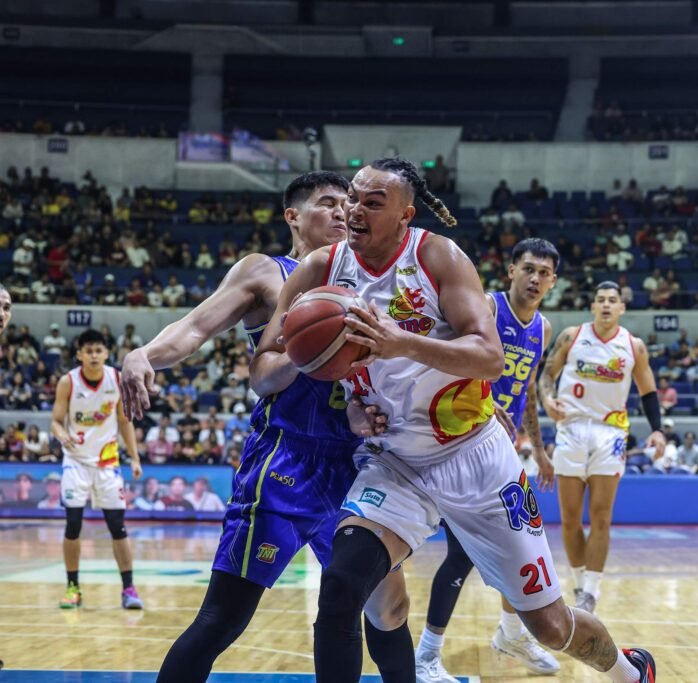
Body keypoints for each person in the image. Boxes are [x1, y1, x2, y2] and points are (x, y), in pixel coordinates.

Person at [253, 159, 656, 683]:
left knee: (549, 625)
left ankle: (628, 670)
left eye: (373, 202)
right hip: (394, 461)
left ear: (405, 215)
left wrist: (400, 342)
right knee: (340, 587)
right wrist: (320, 371)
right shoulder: (318, 272)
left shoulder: (437, 256)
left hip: (475, 458)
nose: (354, 210)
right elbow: (263, 373)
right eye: (352, 197)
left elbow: (489, 356)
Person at [119, 172, 412, 683]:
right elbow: (194, 327)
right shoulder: (266, 272)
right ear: (292, 216)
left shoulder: (371, 281)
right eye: (327, 203)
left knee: (385, 612)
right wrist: (143, 353)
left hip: (359, 462)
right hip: (286, 460)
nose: (344, 212)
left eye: (348, 204)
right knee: (224, 618)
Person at [416, 238, 562, 680]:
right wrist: (479, 397)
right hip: (459, 438)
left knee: (521, 543)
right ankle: (426, 654)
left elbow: (529, 389)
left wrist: (538, 448)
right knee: (462, 554)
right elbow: (444, 356)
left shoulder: (544, 328)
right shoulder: (488, 307)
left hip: (502, 449)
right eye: (529, 269)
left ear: (553, 282)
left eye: (544, 273)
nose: (535, 278)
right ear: (512, 270)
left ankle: (511, 632)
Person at [541, 280, 666, 614]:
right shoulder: (571, 337)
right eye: (601, 300)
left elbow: (649, 391)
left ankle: (590, 593)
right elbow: (545, 377)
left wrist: (658, 431)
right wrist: (547, 399)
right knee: (569, 518)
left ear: (621, 308)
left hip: (610, 432)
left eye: (613, 300)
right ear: (593, 306)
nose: (607, 305)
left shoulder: (633, 346)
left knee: (601, 515)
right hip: (570, 427)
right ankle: (579, 582)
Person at [51, 328, 144, 610]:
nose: (93, 355)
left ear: (106, 353)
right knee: (73, 526)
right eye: (88, 350)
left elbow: (125, 421)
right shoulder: (68, 382)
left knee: (118, 527)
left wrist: (135, 457)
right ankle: (73, 587)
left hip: (107, 463)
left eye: (98, 350)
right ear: (79, 354)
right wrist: (60, 434)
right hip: (76, 462)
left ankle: (128, 588)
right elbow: (55, 420)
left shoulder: (116, 379)